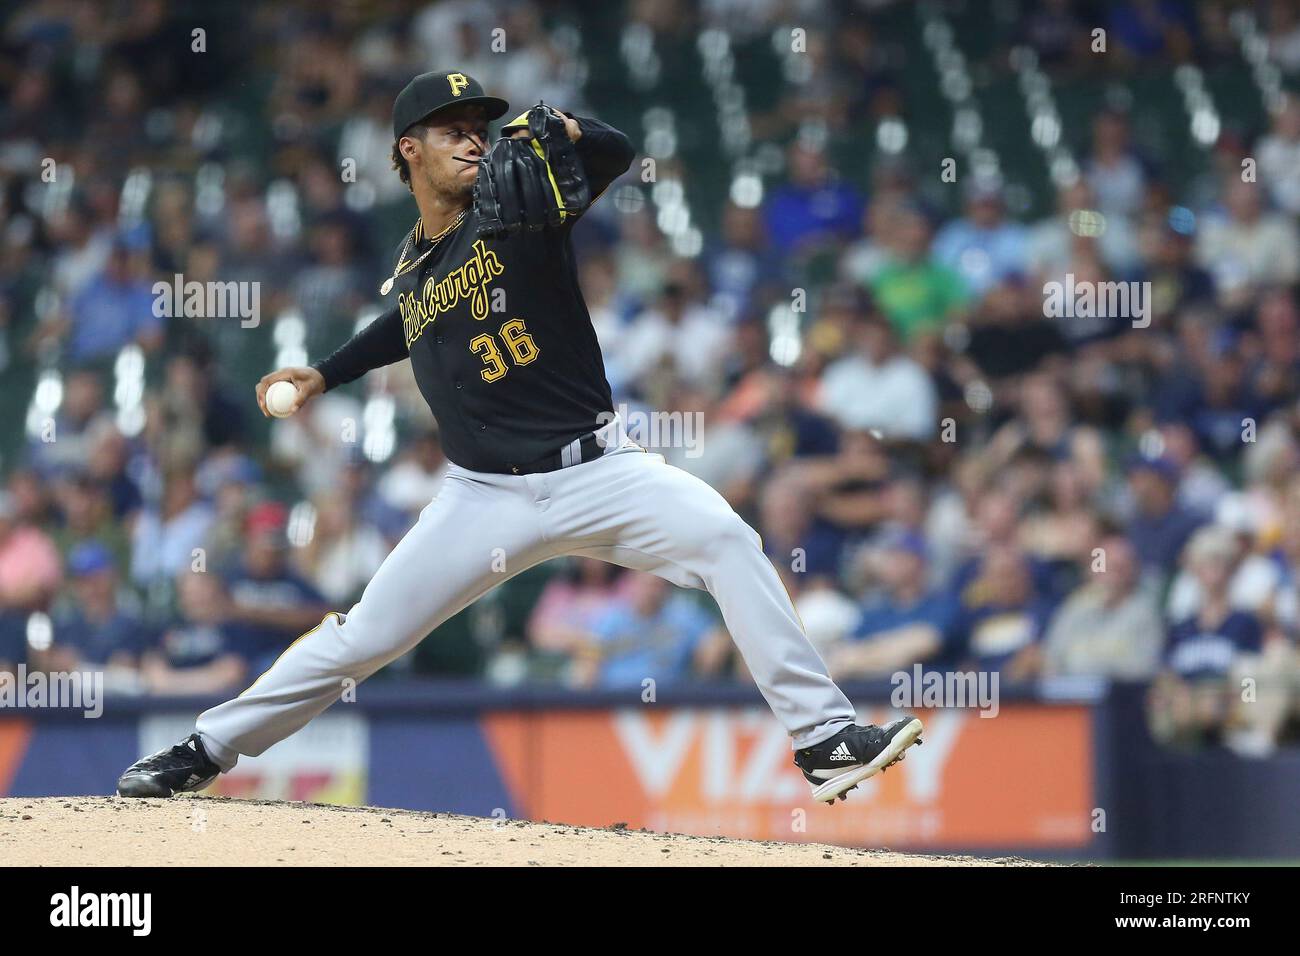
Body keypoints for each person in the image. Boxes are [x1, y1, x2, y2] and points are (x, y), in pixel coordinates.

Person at [117, 71, 922, 805]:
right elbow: (406, 322)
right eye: (451, 128)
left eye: (480, 126)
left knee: (726, 539)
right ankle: (206, 747)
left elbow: (615, 152)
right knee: (363, 634)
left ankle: (822, 739)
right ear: (408, 151)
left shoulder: (518, 210)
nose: (474, 138)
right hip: (482, 496)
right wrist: (323, 374)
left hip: (597, 468)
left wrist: (566, 129)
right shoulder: (411, 267)